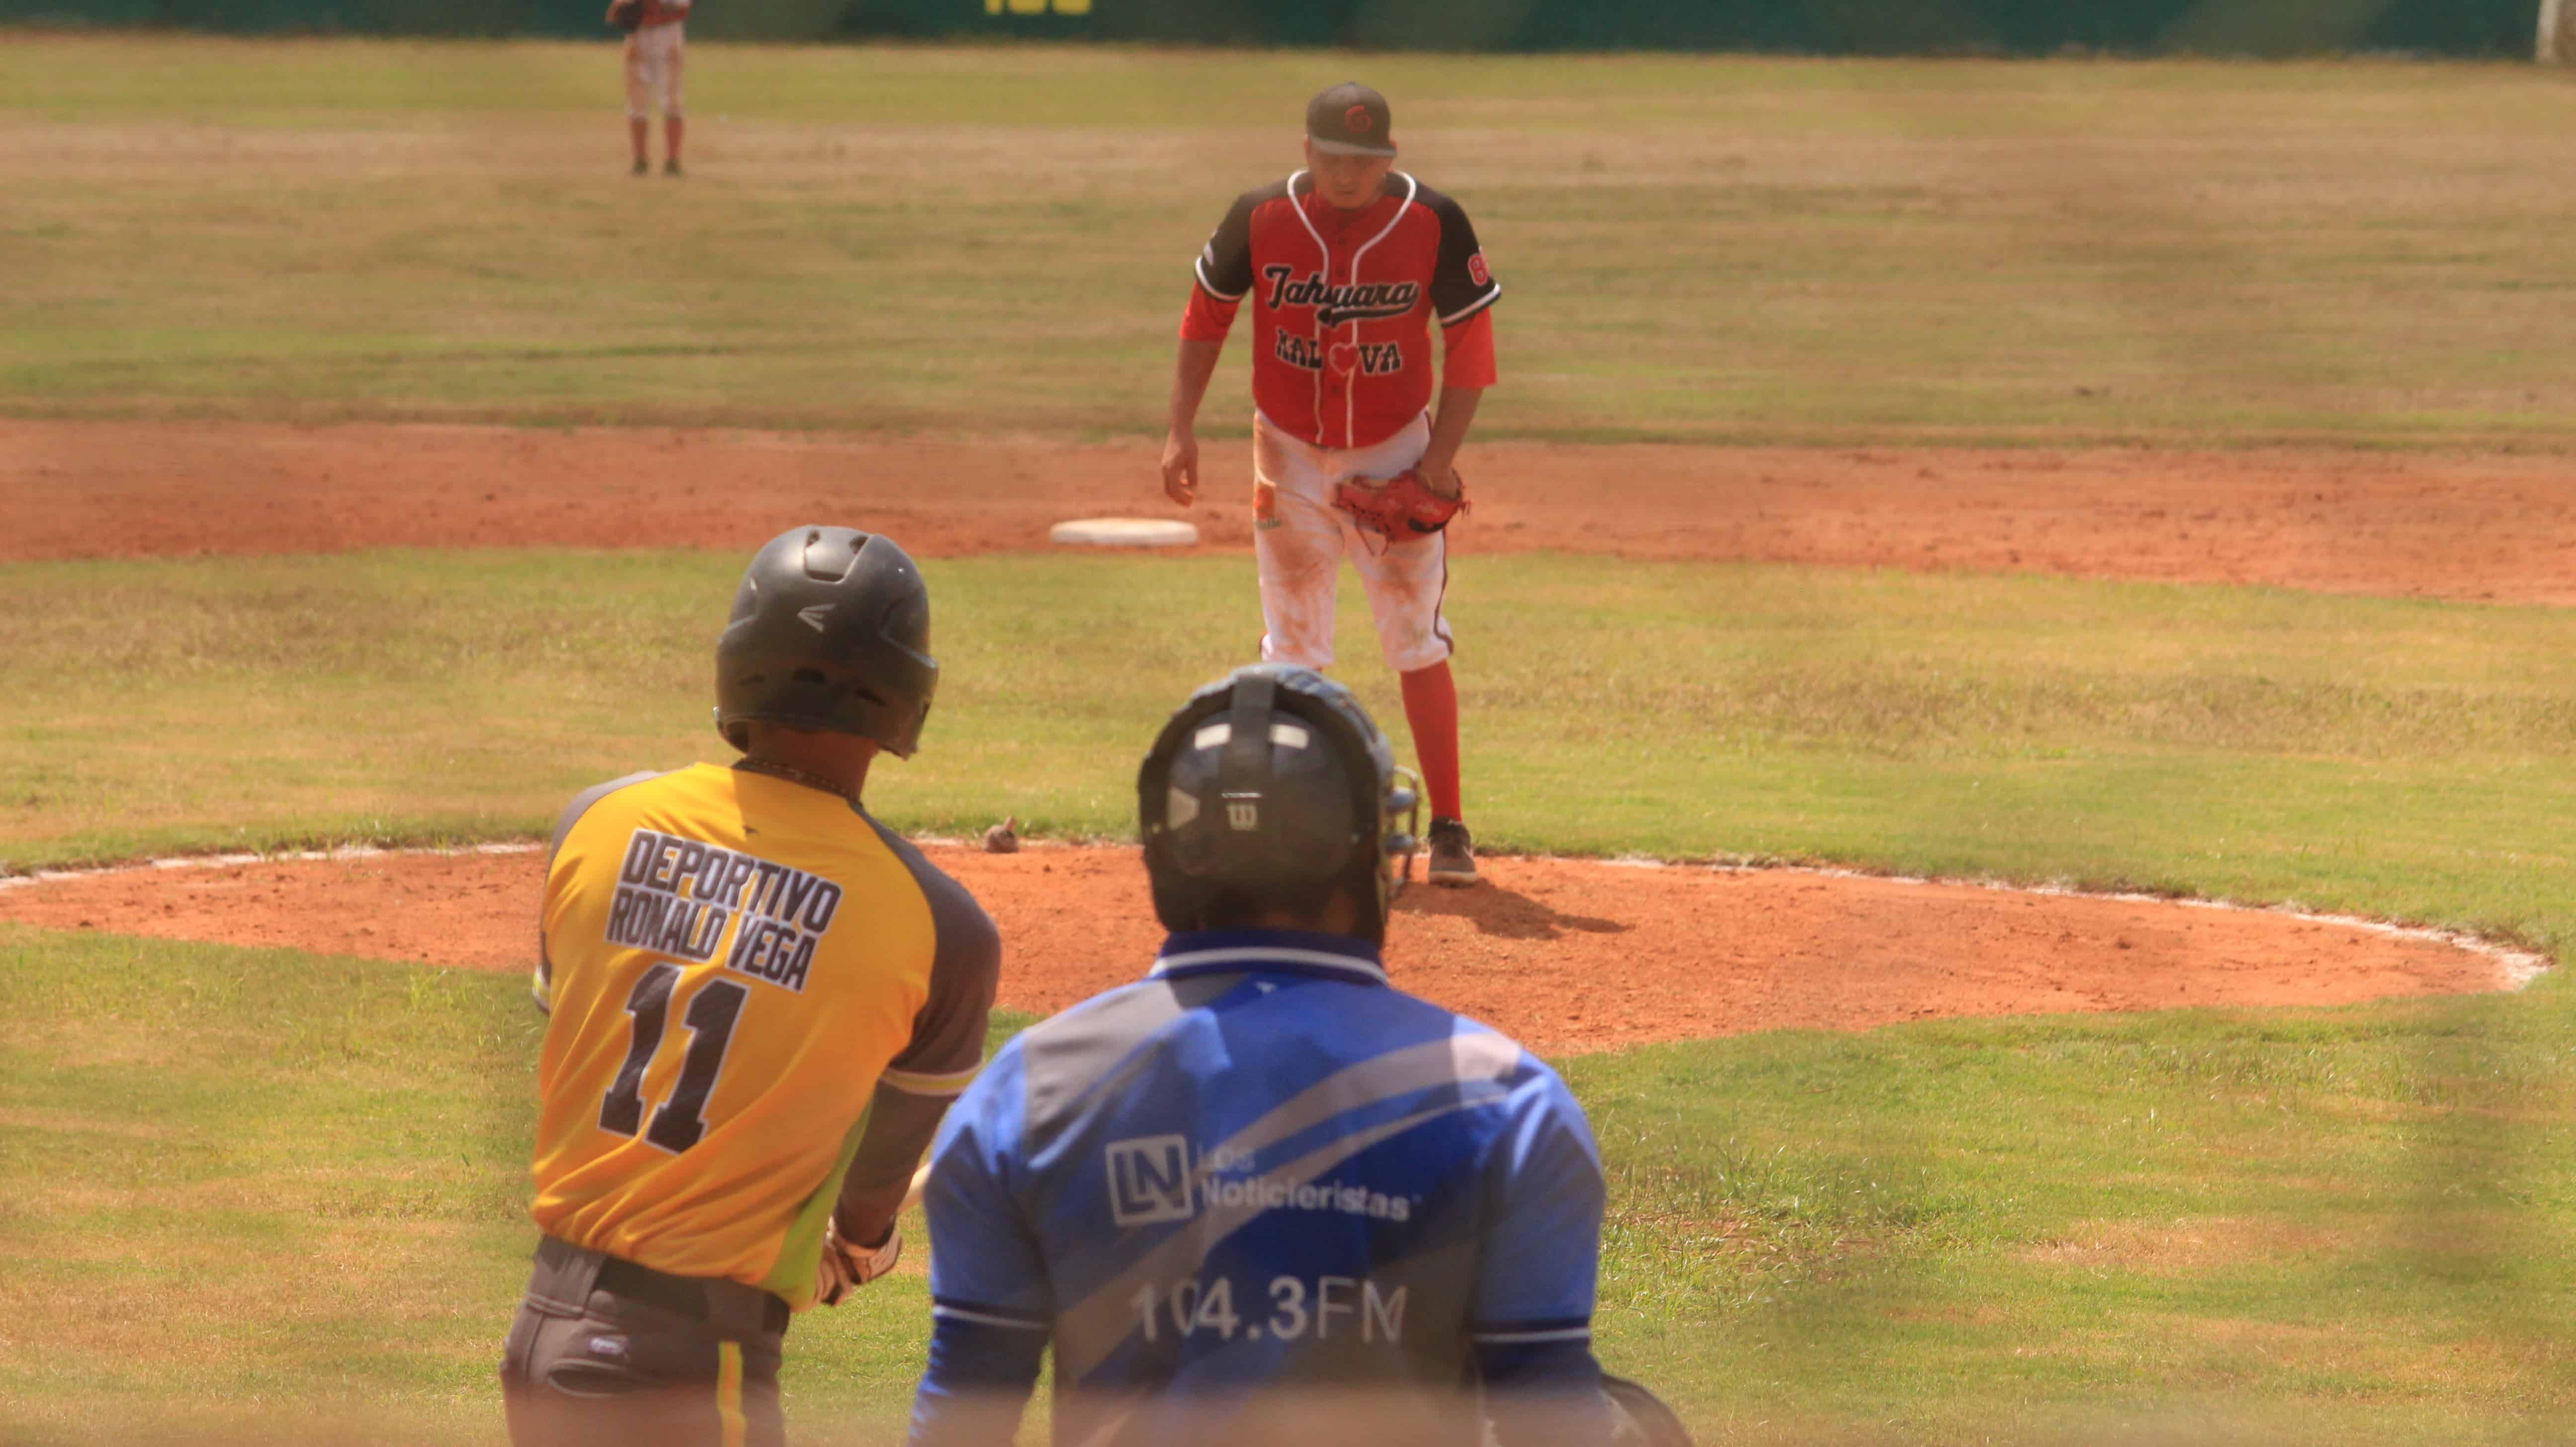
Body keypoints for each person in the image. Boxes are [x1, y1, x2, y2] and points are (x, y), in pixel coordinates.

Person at [904, 663, 1660, 1447]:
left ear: (1165, 853)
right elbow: (1548, 1415)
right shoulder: (1508, 1104)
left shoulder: (1027, 1092)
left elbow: (960, 1421)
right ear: (1375, 848)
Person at [500, 524, 1000, 1447]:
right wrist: (858, 1243)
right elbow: (873, 1190)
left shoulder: (597, 822)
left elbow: (580, 1025)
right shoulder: (941, 928)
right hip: (683, 1366)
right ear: (903, 697)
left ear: (741, 664)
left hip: (543, 1329)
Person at [1158, 81, 1502, 888]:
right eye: (1335, 159)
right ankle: (1290, 817)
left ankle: (1448, 826)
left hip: (1395, 451)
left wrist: (1438, 462)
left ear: (1389, 158)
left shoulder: (1433, 222)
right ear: (1307, 152)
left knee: (1413, 638)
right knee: (1294, 646)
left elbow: (1471, 347)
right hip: (1286, 455)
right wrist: (1179, 427)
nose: (1350, 175)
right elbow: (1204, 316)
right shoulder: (1258, 217)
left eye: (1366, 161)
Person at [609, 0, 691, 176]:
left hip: (668, 33)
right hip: (640, 34)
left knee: (673, 101)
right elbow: (615, 12)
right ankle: (640, 161)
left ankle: (673, 161)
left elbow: (682, 9)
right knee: (637, 103)